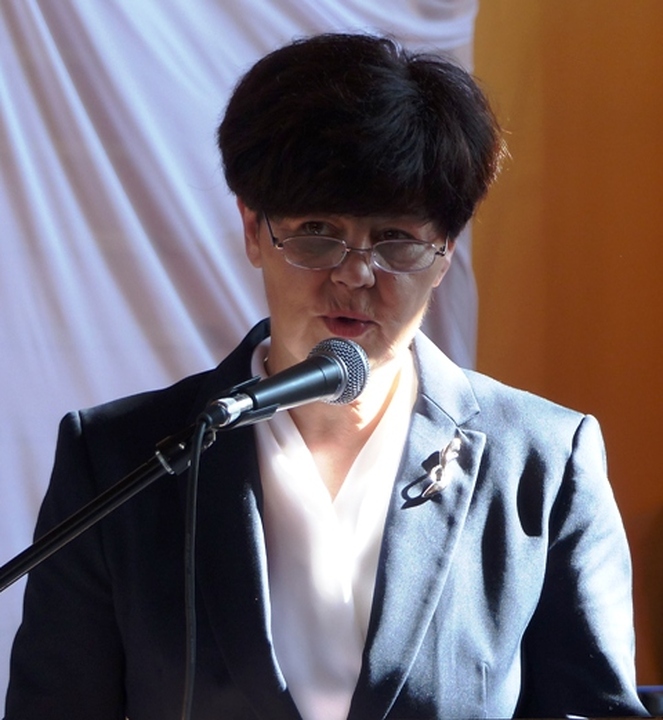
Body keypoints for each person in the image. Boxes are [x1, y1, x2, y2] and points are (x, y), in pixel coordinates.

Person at [4, 33, 647, 720]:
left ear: (445, 251)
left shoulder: (542, 462)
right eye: (317, 230)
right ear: (252, 228)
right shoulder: (117, 461)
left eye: (396, 239)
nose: (355, 273)